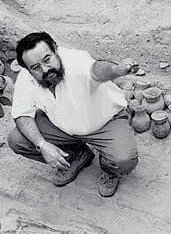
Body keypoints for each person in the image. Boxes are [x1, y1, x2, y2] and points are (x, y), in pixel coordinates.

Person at [7, 32, 139, 197]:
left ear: (56, 49)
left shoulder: (76, 60)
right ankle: (77, 155)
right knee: (17, 140)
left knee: (124, 160)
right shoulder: (26, 77)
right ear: (27, 69)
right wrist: (43, 145)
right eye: (36, 67)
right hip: (62, 126)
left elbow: (96, 70)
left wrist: (116, 70)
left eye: (47, 59)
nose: (45, 69)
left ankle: (109, 168)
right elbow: (22, 114)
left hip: (104, 122)